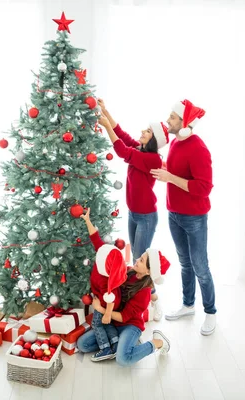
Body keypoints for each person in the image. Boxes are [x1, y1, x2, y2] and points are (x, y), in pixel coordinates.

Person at [150, 99, 217, 336]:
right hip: (174, 214)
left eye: (172, 118)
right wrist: (167, 169)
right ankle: (188, 305)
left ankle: (210, 312)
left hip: (194, 218)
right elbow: (178, 172)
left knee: (200, 266)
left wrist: (169, 178)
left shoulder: (198, 147)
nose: (168, 120)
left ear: (185, 122)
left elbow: (204, 188)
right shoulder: (177, 144)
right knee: (185, 263)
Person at [97, 98, 167, 321]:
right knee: (137, 260)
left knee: (139, 261)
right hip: (134, 214)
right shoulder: (140, 148)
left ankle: (154, 301)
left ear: (154, 139)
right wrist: (106, 112)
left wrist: (106, 128)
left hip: (146, 217)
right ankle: (147, 298)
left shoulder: (153, 159)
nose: (142, 132)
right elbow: (122, 135)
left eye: (147, 131)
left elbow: (122, 151)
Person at [76, 220, 172, 366]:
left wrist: (101, 310)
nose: (137, 260)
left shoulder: (144, 294)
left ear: (148, 271)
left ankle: (158, 342)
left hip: (129, 325)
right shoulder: (127, 271)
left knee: (123, 359)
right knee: (83, 344)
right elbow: (100, 246)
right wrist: (88, 221)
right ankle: (121, 343)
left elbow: (124, 316)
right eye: (140, 258)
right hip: (112, 323)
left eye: (141, 260)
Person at [80, 208, 127, 361]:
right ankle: (115, 344)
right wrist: (87, 220)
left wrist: (106, 313)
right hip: (105, 299)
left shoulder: (106, 279)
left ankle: (105, 348)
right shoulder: (104, 252)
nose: (97, 251)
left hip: (107, 302)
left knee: (98, 324)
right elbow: (95, 236)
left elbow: (110, 298)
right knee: (105, 324)